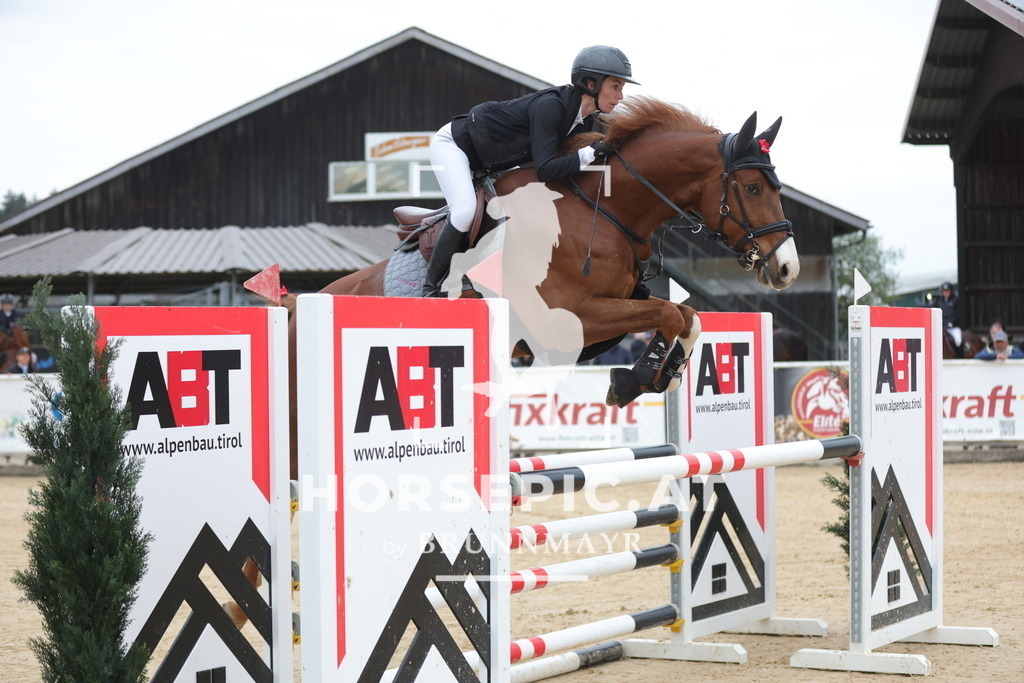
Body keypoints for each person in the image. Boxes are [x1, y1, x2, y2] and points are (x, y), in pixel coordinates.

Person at [423, 45, 638, 297]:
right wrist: (593, 151)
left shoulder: (584, 121)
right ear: (591, 83)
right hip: (455, 146)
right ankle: (431, 289)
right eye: (616, 86)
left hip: (491, 161)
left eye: (621, 88)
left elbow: (567, 169)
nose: (620, 96)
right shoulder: (552, 107)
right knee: (464, 211)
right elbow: (546, 169)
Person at [931, 282, 962, 353]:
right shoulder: (938, 301)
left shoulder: (956, 300)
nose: (946, 293)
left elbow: (957, 314)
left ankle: (959, 355)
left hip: (953, 327)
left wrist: (951, 323)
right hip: (942, 326)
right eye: (944, 291)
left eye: (947, 291)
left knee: (958, 341)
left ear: (951, 291)